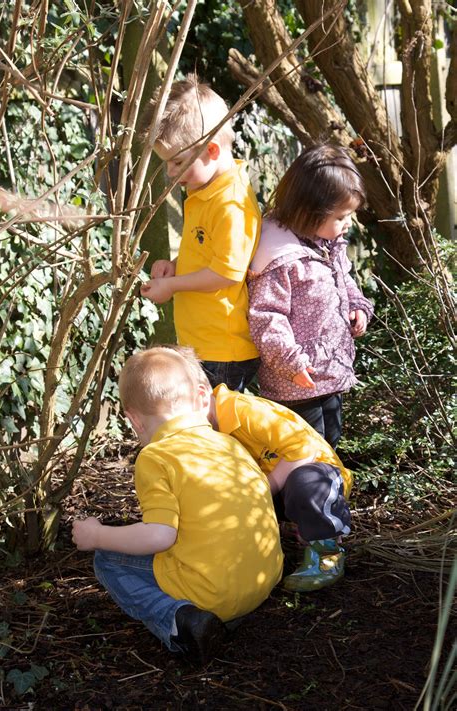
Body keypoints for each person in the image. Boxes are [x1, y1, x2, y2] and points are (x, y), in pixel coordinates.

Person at [72, 347, 283, 663]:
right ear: (201, 397)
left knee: (107, 560)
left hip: (214, 594)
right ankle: (224, 612)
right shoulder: (230, 444)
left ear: (134, 420)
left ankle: (178, 621)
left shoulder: (156, 457)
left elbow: (160, 536)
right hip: (262, 581)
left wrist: (97, 536)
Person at [168, 345, 352, 592]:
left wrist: (264, 488)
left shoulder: (243, 410)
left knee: (305, 482)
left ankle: (326, 550)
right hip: (273, 485)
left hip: (320, 479)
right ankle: (281, 534)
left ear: (201, 397)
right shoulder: (203, 429)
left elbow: (303, 450)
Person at [138, 74, 261, 392]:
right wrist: (177, 265)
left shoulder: (230, 203)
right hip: (204, 344)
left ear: (211, 150)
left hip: (223, 351)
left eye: (177, 162)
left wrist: (173, 285)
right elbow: (209, 251)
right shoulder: (205, 189)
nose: (170, 172)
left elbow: (226, 273)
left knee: (219, 435)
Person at [248, 143, 374, 449]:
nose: (348, 223)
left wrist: (357, 305)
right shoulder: (279, 257)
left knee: (331, 445)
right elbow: (266, 317)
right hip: (295, 382)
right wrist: (292, 363)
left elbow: (344, 279)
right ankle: (301, 498)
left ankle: (328, 495)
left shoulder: (327, 243)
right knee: (305, 456)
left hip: (330, 371)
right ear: (309, 210)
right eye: (341, 216)